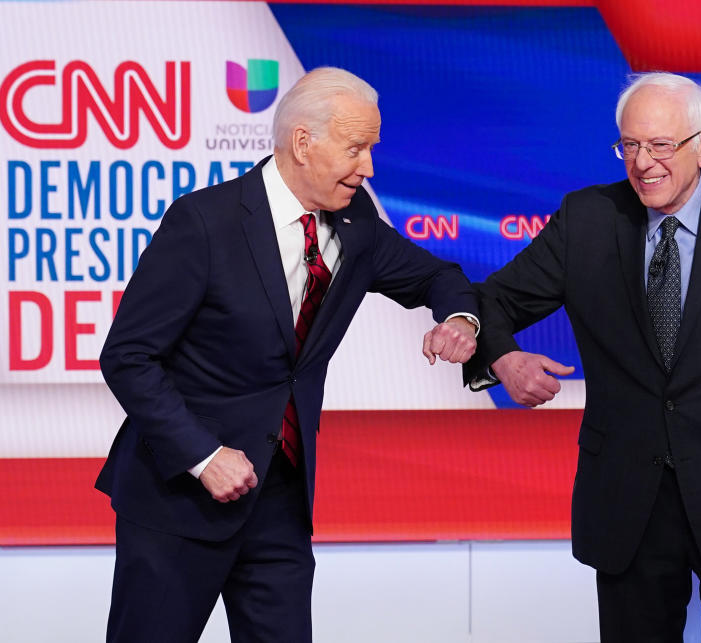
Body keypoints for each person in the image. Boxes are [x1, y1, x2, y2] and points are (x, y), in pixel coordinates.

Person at [96, 67, 479, 642]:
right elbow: (128, 356)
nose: (369, 167)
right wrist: (203, 456)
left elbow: (437, 276)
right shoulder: (205, 222)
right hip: (180, 498)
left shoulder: (357, 223)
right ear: (304, 143)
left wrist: (458, 318)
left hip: (280, 501)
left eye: (371, 149)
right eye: (356, 149)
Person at [465, 72, 701, 641]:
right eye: (630, 145)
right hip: (628, 509)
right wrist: (503, 359)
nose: (643, 163)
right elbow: (489, 302)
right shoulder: (588, 219)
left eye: (661, 145)